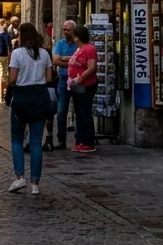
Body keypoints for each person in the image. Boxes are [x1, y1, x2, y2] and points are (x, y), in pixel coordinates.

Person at [7, 22, 53, 196]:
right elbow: (49, 77)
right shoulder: (44, 53)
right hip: (39, 96)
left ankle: (20, 176)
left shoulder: (17, 53)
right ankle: (35, 183)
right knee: (36, 142)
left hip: (22, 96)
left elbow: (12, 79)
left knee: (17, 139)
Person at [68, 24, 98, 153]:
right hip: (77, 86)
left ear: (77, 37)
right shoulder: (78, 49)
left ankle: (88, 142)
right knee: (79, 113)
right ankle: (80, 140)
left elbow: (91, 67)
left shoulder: (89, 49)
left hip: (86, 85)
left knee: (85, 112)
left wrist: (80, 78)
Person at [52, 19, 78, 150]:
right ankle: (61, 140)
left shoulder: (78, 43)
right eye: (64, 29)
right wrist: (73, 61)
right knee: (61, 110)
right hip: (63, 79)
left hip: (78, 80)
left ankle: (80, 139)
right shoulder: (60, 43)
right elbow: (55, 60)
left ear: (73, 30)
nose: (65, 32)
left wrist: (65, 58)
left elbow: (82, 61)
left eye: (67, 30)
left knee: (79, 110)